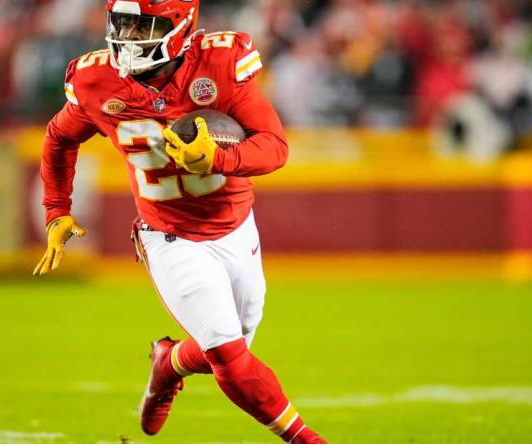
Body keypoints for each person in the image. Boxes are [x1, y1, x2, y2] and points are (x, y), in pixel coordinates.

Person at [33, 1, 327, 442]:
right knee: (229, 356)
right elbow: (59, 138)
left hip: (235, 224)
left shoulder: (219, 65)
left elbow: (275, 146)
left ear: (179, 26)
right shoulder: (97, 81)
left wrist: (219, 157)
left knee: (235, 346)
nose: (128, 37)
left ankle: (166, 364)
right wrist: (57, 209)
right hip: (169, 235)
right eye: (123, 23)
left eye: (142, 25)